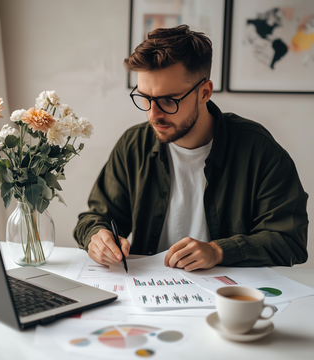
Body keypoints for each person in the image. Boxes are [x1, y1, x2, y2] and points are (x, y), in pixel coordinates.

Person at [73, 25, 308, 271]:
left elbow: (290, 240)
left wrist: (218, 251)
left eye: (168, 100)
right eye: (145, 97)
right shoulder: (134, 144)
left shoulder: (259, 150)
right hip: (145, 293)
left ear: (205, 92)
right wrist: (96, 236)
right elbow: (96, 216)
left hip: (227, 300)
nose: (153, 115)